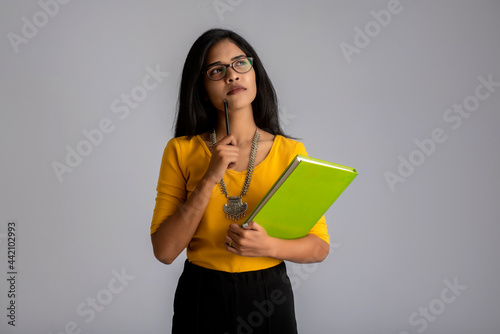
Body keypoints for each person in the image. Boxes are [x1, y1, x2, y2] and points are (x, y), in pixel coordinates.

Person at [150, 28, 330, 334]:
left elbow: (319, 248)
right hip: (202, 294)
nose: (232, 76)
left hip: (268, 294)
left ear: (254, 72)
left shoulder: (290, 153)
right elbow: (165, 251)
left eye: (240, 63)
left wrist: (269, 246)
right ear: (202, 88)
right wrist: (209, 178)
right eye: (217, 70)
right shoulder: (181, 150)